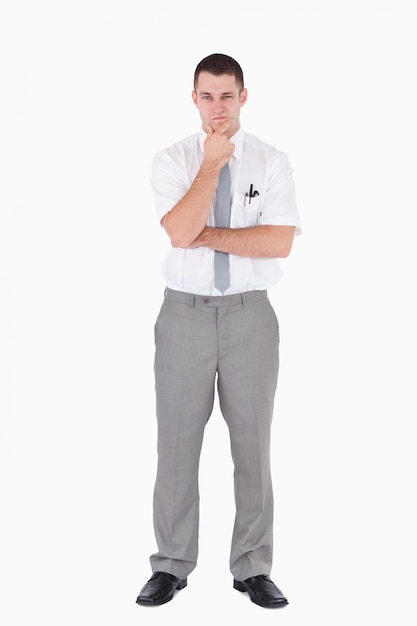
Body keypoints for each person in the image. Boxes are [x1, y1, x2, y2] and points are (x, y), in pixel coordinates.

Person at [136, 53, 302, 609]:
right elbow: (179, 234)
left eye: (226, 97)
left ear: (243, 97)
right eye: (207, 97)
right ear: (194, 99)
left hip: (249, 315)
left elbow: (278, 243)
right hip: (183, 314)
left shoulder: (272, 161)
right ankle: (172, 564)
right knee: (176, 444)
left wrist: (202, 232)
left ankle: (253, 566)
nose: (217, 109)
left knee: (252, 444)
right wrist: (210, 165)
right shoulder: (173, 160)